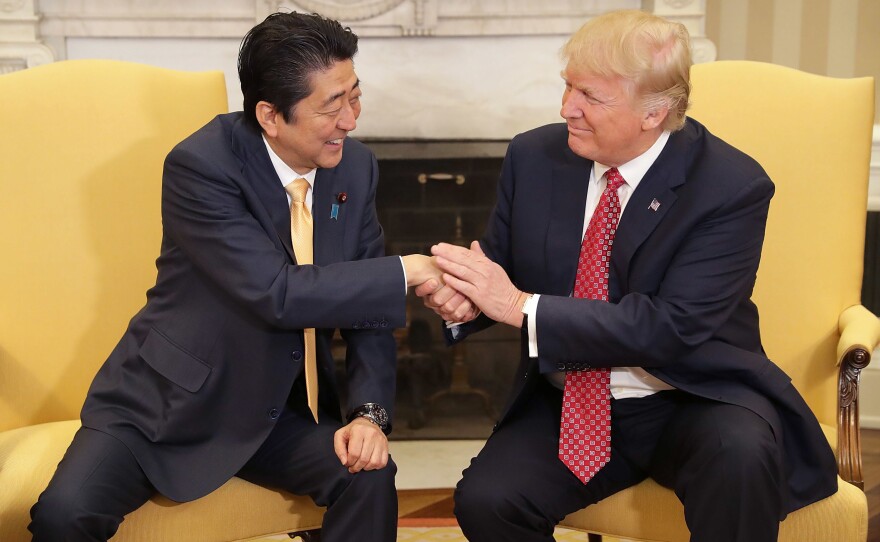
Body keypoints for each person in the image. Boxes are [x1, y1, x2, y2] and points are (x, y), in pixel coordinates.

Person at [416, 9, 837, 542]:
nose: (567, 108)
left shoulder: (731, 187)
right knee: (487, 501)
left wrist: (517, 304)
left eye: (591, 97)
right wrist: (465, 297)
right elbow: (502, 267)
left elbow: (670, 327)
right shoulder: (534, 155)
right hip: (568, 398)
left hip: (690, 395)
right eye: (568, 87)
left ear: (654, 112)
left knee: (741, 457)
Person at [29, 12, 440, 542]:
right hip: (170, 404)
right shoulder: (201, 167)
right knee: (65, 515)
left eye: (354, 96)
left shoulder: (354, 167)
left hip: (278, 413)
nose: (351, 120)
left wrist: (368, 416)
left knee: (367, 475)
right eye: (331, 106)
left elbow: (367, 311)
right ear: (270, 115)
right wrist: (406, 269)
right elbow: (277, 293)